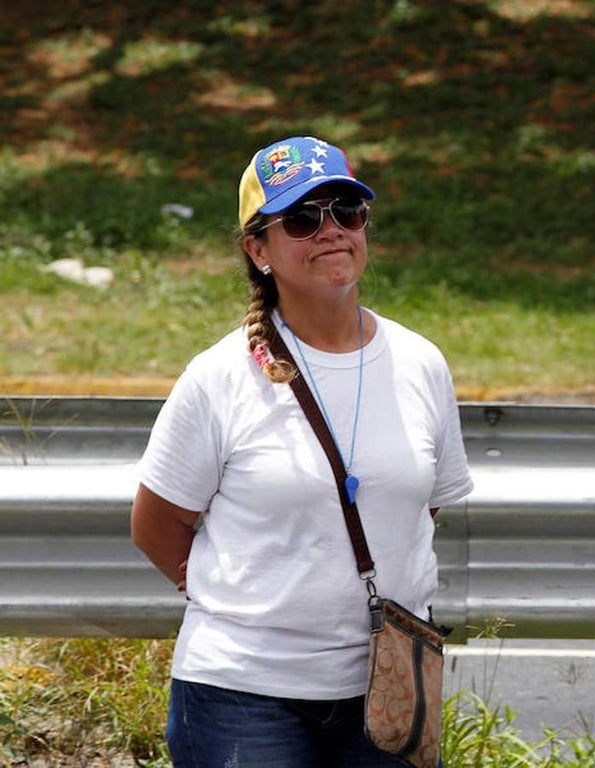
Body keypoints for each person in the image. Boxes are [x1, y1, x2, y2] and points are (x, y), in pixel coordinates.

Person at [130, 135, 474, 767]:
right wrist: (238, 603)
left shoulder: (420, 363)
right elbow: (157, 523)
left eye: (347, 210)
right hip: (242, 693)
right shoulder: (220, 378)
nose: (331, 230)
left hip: (387, 686)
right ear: (258, 250)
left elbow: (419, 510)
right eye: (302, 218)